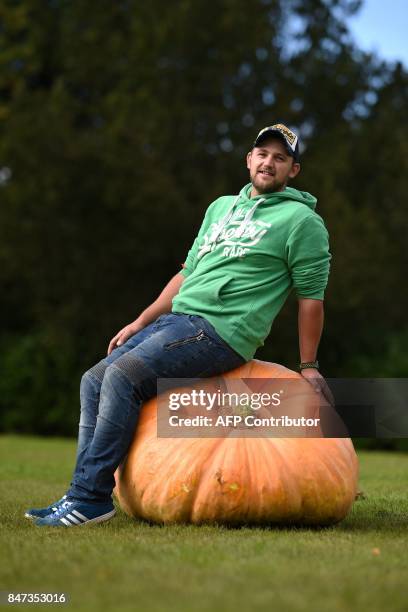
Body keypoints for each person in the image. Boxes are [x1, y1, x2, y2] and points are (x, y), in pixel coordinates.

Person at [25, 123, 331, 527]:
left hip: (222, 331)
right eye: (262, 154)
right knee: (93, 379)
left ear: (293, 170)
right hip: (177, 322)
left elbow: (311, 300)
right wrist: (141, 320)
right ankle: (77, 495)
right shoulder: (220, 208)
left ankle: (91, 498)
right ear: (248, 159)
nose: (268, 162)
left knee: (122, 376)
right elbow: (187, 274)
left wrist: (308, 365)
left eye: (280, 157)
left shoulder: (302, 222)